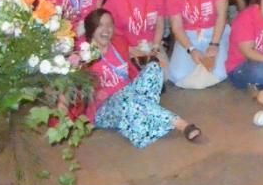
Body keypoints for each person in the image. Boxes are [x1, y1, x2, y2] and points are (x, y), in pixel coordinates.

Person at [83, 8, 200, 147]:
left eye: (109, 25)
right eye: (101, 25)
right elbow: (84, 94)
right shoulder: (84, 57)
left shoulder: (118, 43)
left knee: (155, 68)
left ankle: (142, 117)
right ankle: (180, 124)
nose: (106, 29)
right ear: (91, 29)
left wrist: (153, 54)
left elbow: (134, 53)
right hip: (106, 108)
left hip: (130, 94)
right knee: (127, 97)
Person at [165, 0, 231, 88]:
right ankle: (199, 67)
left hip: (215, 32)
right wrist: (191, 50)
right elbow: (176, 27)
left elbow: (222, 16)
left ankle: (202, 69)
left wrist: (214, 45)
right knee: (177, 76)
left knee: (220, 72)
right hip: (189, 35)